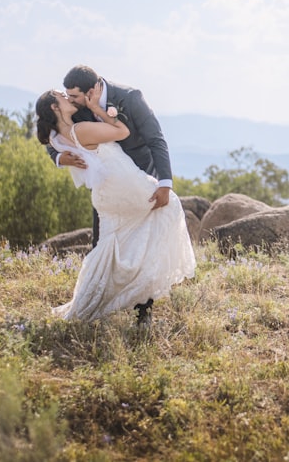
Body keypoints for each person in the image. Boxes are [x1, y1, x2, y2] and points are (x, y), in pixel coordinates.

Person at [36, 87, 195, 324]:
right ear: (54, 107)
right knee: (167, 210)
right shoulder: (80, 120)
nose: (69, 98)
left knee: (109, 247)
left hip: (108, 190)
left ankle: (95, 303)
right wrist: (96, 109)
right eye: (63, 95)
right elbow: (121, 131)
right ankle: (128, 297)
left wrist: (62, 155)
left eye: (72, 94)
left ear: (89, 88)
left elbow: (155, 138)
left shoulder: (59, 133)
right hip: (124, 186)